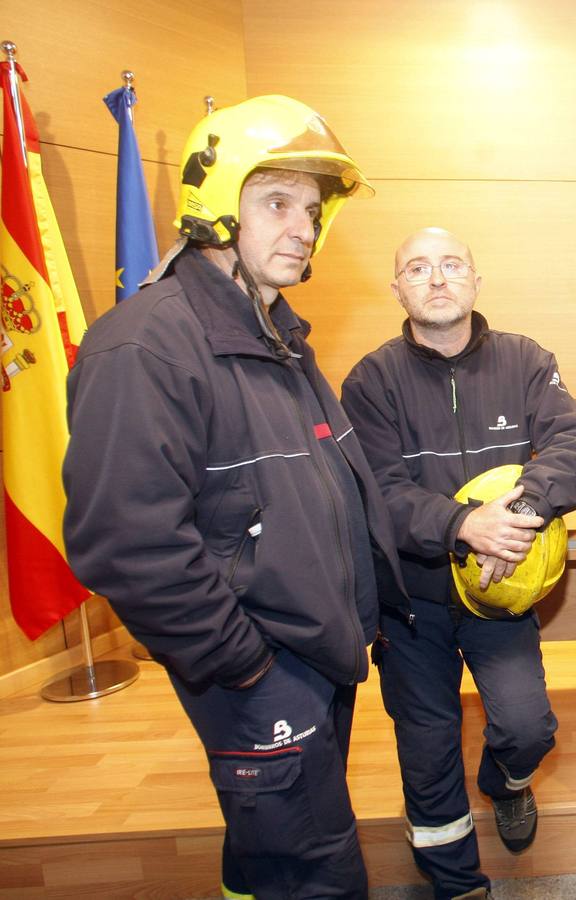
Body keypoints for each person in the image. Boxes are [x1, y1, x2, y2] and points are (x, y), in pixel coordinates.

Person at [63, 95, 406, 899]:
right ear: (215, 209)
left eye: (313, 211)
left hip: (313, 652)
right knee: (314, 871)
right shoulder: (144, 345)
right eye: (278, 203)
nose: (303, 228)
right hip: (261, 663)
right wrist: (243, 666)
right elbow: (128, 544)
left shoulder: (274, 330)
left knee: (271, 846)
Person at [341, 228, 576, 899]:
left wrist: (519, 513)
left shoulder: (526, 360)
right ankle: (455, 882)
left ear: (476, 281)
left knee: (527, 728)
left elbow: (572, 441)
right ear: (397, 288)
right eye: (418, 268)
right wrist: (462, 525)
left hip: (500, 591)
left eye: (452, 264)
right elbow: (380, 493)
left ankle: (505, 783)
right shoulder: (370, 381)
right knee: (427, 752)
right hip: (412, 603)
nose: (437, 277)